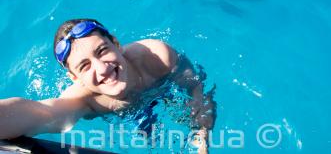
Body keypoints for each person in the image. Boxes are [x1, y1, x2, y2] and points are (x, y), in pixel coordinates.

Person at [0, 18, 215, 153]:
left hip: (161, 89)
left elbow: (195, 87)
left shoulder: (157, 57)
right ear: (75, 78)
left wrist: (201, 132)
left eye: (102, 51)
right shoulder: (85, 101)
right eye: (85, 66)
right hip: (125, 117)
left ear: (117, 44)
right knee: (149, 137)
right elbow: (41, 112)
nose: (102, 69)